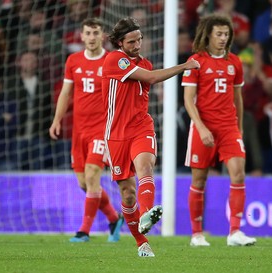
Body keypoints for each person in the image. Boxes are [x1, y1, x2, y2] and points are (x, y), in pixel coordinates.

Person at [101, 17, 200, 257]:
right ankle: (141, 242)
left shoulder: (145, 62)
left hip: (141, 127)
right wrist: (183, 66)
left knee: (146, 167)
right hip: (116, 134)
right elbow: (152, 78)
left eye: (140, 40)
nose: (137, 45)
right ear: (120, 42)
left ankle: (146, 214)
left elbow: (149, 78)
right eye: (132, 41)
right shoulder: (114, 59)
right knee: (127, 193)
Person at [181, 14, 257, 247]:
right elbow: (188, 100)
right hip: (203, 127)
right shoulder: (196, 61)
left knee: (239, 173)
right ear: (208, 35)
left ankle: (234, 232)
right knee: (199, 180)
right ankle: (196, 235)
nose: (223, 38)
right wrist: (202, 128)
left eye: (226, 34)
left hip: (228, 127)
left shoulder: (235, 62)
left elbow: (238, 99)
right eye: (219, 34)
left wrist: (240, 128)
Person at [49, 18, 124, 243]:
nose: (91, 37)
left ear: (103, 36)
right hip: (78, 131)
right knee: (84, 183)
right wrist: (56, 120)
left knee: (93, 175)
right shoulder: (73, 61)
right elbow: (65, 93)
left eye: (96, 33)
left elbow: (119, 97)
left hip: (101, 129)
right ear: (81, 37)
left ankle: (84, 231)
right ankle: (113, 218)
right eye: (88, 33)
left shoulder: (111, 60)